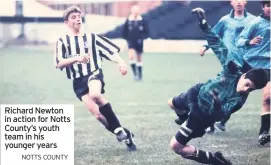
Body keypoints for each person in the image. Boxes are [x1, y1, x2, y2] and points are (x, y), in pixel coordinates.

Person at [168, 8, 269, 165]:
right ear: (243, 75)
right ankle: (183, 116)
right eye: (247, 84)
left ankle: (216, 161)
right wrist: (203, 24)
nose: (246, 89)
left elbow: (218, 116)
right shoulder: (232, 69)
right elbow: (218, 45)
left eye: (251, 90)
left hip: (200, 117)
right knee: (171, 103)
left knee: (176, 147)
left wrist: (216, 106)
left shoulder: (238, 101)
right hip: (195, 94)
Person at [54, 6, 136, 151]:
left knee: (96, 94)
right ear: (67, 22)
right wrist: (76, 58)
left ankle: (118, 130)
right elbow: (58, 63)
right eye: (73, 17)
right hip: (78, 82)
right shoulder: (62, 41)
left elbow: (110, 52)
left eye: (79, 16)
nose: (77, 19)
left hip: (94, 73)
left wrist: (121, 63)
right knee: (99, 116)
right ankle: (124, 133)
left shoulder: (92, 37)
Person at [174, 0, 256, 133]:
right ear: (231, 2)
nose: (239, 2)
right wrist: (205, 44)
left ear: (246, 2)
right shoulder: (225, 20)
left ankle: (220, 120)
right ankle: (212, 119)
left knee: (236, 98)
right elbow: (216, 37)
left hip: (247, 66)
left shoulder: (254, 21)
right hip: (230, 64)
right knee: (220, 92)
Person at [236, 0, 270, 145]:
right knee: (238, 97)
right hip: (250, 65)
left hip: (268, 67)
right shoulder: (256, 23)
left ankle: (264, 133)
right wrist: (249, 42)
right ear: (263, 7)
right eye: (268, 5)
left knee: (268, 99)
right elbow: (239, 41)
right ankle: (218, 120)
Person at [123, 5, 149, 81]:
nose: (135, 12)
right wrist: (126, 40)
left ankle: (140, 75)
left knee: (139, 59)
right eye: (134, 11)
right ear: (132, 11)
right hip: (131, 41)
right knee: (131, 57)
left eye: (136, 11)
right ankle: (135, 74)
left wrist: (142, 38)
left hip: (139, 42)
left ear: (139, 11)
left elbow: (146, 32)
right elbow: (125, 31)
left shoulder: (142, 20)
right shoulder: (128, 20)